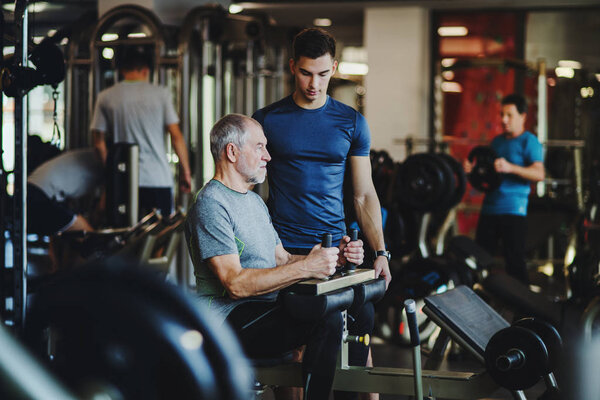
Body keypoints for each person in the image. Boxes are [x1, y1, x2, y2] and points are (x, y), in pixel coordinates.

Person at [185, 114, 365, 399]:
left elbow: (280, 259)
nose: (268, 156)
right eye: (259, 147)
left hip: (264, 310)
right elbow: (235, 284)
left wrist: (330, 258)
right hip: (227, 321)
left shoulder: (254, 201)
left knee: (349, 311)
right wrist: (307, 267)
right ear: (232, 152)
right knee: (325, 319)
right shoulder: (211, 204)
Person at [252, 28, 390, 400]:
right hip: (284, 253)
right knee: (294, 353)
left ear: (335, 68)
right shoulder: (267, 120)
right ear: (292, 66)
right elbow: (245, 191)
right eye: (306, 73)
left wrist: (380, 252)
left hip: (337, 252)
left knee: (359, 349)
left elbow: (363, 194)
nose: (315, 84)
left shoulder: (351, 122)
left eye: (324, 74)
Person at [90, 46, 192, 218]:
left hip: (124, 180)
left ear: (122, 71)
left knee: (125, 237)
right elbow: (176, 136)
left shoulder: (106, 96)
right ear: (146, 71)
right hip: (157, 178)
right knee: (159, 239)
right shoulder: (161, 94)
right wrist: (186, 173)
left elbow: (98, 143)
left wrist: (112, 173)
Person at [464, 93, 545, 284]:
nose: (503, 120)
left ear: (523, 116)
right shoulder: (497, 142)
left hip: (513, 210)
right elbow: (488, 173)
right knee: (480, 260)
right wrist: (473, 169)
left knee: (514, 264)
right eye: (502, 114)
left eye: (509, 115)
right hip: (490, 208)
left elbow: (539, 174)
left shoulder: (529, 141)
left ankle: (523, 312)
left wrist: (511, 167)